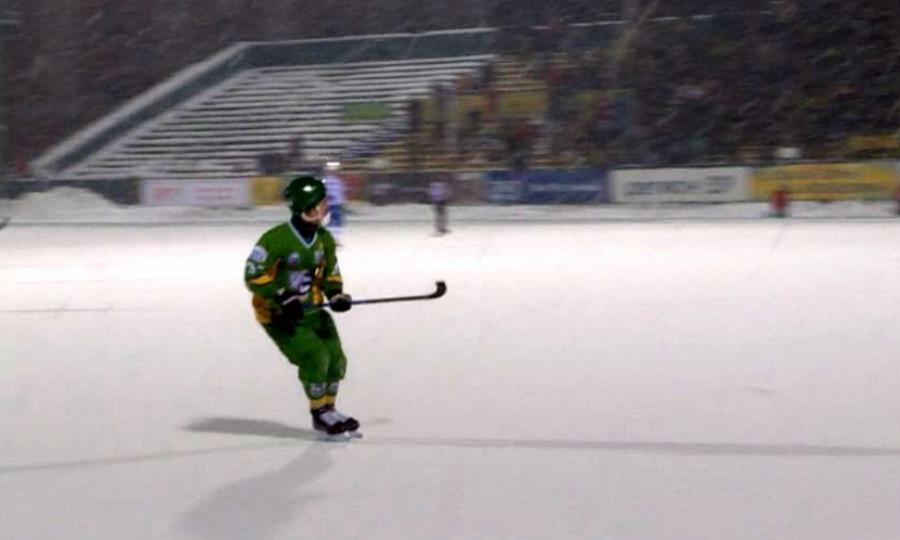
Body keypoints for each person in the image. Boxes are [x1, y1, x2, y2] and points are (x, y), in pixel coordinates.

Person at [243, 175, 358, 438]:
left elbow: (331, 272)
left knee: (337, 359)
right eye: (321, 203)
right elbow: (253, 275)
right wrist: (281, 296)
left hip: (314, 310)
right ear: (308, 208)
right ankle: (319, 415)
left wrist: (336, 294)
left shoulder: (324, 239)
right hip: (280, 315)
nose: (326, 207)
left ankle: (330, 409)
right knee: (315, 356)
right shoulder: (274, 239)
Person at [322, 163, 346, 240]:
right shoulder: (325, 181)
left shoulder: (339, 181)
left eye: (335, 171)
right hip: (329, 205)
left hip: (337, 204)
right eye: (331, 171)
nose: (334, 172)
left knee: (338, 221)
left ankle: (335, 238)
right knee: (330, 221)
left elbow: (341, 192)